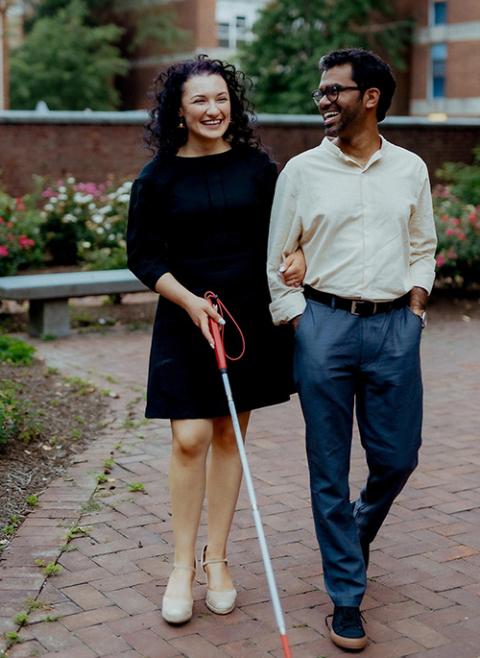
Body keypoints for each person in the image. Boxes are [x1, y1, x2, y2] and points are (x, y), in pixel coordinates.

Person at [267, 48, 437, 651]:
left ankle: (356, 528)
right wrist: (300, 322)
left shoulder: (410, 169)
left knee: (398, 457)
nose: (323, 101)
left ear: (370, 97)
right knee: (328, 468)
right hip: (325, 327)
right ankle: (346, 596)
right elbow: (276, 257)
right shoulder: (301, 172)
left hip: (395, 327)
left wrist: (416, 309)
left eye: (334, 90)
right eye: (320, 92)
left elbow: (423, 245)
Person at [127, 55, 305, 625]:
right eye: (200, 100)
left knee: (229, 433)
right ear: (178, 109)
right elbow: (143, 257)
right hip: (186, 314)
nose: (213, 109)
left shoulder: (258, 169)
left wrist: (297, 253)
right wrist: (187, 301)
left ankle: (218, 560)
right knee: (189, 437)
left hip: (247, 317)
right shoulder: (157, 178)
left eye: (222, 97)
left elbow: (288, 232)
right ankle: (180, 565)